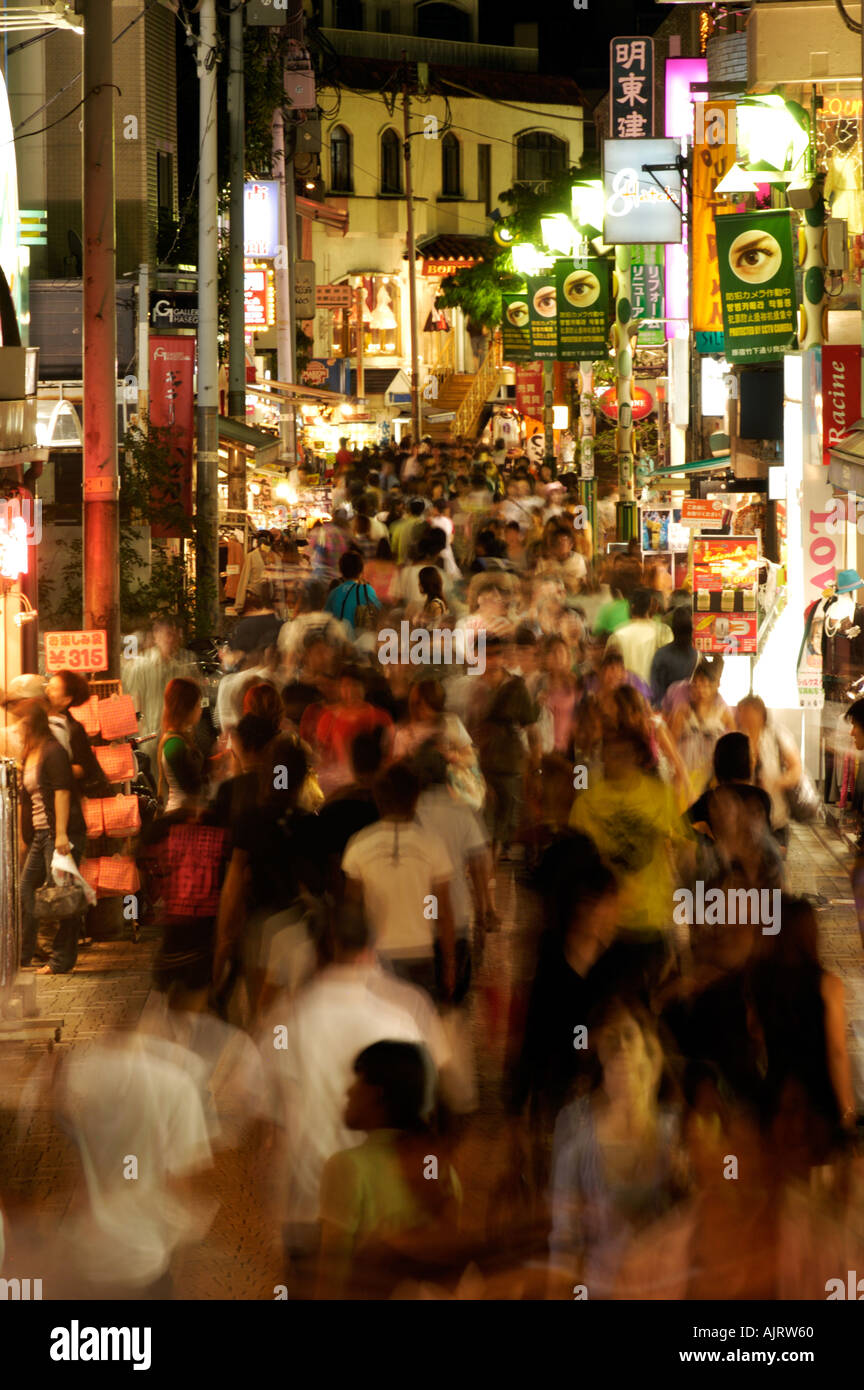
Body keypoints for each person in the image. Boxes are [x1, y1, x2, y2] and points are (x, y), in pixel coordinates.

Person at [257, 902, 454, 1298]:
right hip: (383, 1212)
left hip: (308, 1204)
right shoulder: (402, 1016)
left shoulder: (288, 1020)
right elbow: (432, 1103)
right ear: (371, 947)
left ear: (318, 952)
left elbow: (269, 1117)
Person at [548, 999, 683, 1299]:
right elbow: (564, 1238)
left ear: (650, 1053)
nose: (620, 1045)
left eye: (628, 1035)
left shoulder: (675, 1131)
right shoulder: (577, 1135)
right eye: (610, 1038)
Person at [316, 1041, 461, 1299]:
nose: (349, 1091)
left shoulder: (347, 1167)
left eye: (359, 1081)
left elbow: (332, 1279)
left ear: (377, 1094)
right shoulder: (442, 1173)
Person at [342, 763, 457, 1000]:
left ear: (378, 799)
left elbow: (351, 909)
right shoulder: (432, 844)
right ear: (415, 798)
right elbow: (441, 909)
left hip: (375, 956)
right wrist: (449, 963)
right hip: (420, 951)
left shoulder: (359, 844)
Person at [16, 700, 87, 975]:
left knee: (63, 897)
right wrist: (26, 837)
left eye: (21, 722)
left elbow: (62, 791)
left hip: (60, 833)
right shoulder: (30, 753)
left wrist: (60, 835)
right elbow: (26, 797)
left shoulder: (53, 751)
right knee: (26, 889)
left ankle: (61, 960)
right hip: (40, 836)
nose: (17, 729)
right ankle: (24, 955)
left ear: (30, 723)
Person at [735, 695, 802, 855]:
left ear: (761, 713)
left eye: (749, 712)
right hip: (745, 823)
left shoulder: (777, 735)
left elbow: (796, 768)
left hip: (775, 818)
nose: (745, 717)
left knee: (774, 871)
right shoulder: (737, 739)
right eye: (742, 712)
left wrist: (778, 782)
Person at [122, 616, 198, 740]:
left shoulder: (181, 668)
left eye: (176, 635)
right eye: (168, 634)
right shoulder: (141, 666)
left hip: (175, 736)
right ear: (156, 636)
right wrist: (142, 732)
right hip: (149, 738)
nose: (172, 639)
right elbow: (135, 703)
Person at [44, 669, 112, 798]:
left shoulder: (73, 729)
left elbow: (84, 768)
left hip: (67, 798)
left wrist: (49, 769)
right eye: (48, 686)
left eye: (53, 688)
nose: (47, 691)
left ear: (66, 700)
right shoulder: (44, 722)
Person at [606, 586, 673, 688]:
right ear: (650, 607)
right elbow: (669, 663)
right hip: (654, 692)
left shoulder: (618, 633)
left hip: (626, 693)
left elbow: (609, 665)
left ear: (631, 607)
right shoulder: (663, 631)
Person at [157, 678, 205, 815]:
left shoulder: (182, 737)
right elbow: (191, 788)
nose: (200, 710)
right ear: (185, 709)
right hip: (180, 815)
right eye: (197, 705)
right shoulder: (174, 744)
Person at [324, 550, 381, 637]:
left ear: (341, 570)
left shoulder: (334, 593)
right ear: (361, 570)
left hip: (339, 641)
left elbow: (325, 619)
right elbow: (379, 612)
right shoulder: (367, 590)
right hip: (360, 641)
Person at [649, 606, 697, 708]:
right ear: (692, 630)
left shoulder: (661, 655)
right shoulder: (697, 655)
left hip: (666, 708)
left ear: (673, 630)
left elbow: (655, 689)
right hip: (691, 710)